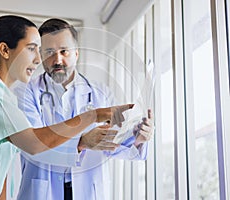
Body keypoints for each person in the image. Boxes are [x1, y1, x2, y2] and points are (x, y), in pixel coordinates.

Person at [0, 15, 132, 200]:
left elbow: (0, 171)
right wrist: (92, 116)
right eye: (32, 48)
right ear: (5, 51)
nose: (38, 59)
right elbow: (34, 143)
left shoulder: (4, 97)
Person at [14, 18, 154, 200]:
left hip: (88, 190)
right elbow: (33, 144)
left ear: (76, 53)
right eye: (49, 52)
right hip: (42, 191)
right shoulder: (25, 92)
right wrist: (81, 142)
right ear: (40, 55)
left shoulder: (101, 93)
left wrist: (138, 138)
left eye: (64, 51)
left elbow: (113, 144)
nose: (58, 59)